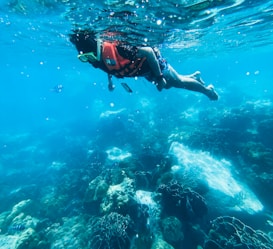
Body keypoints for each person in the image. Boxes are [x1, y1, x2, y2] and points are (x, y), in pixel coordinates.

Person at [69, 31, 218, 100]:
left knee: (177, 82)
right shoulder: (97, 59)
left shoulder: (119, 49)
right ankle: (194, 77)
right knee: (168, 85)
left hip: (152, 64)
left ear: (95, 49)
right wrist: (109, 82)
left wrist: (159, 77)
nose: (89, 60)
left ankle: (207, 91)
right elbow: (108, 67)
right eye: (84, 58)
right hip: (144, 71)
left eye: (89, 56)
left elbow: (147, 51)